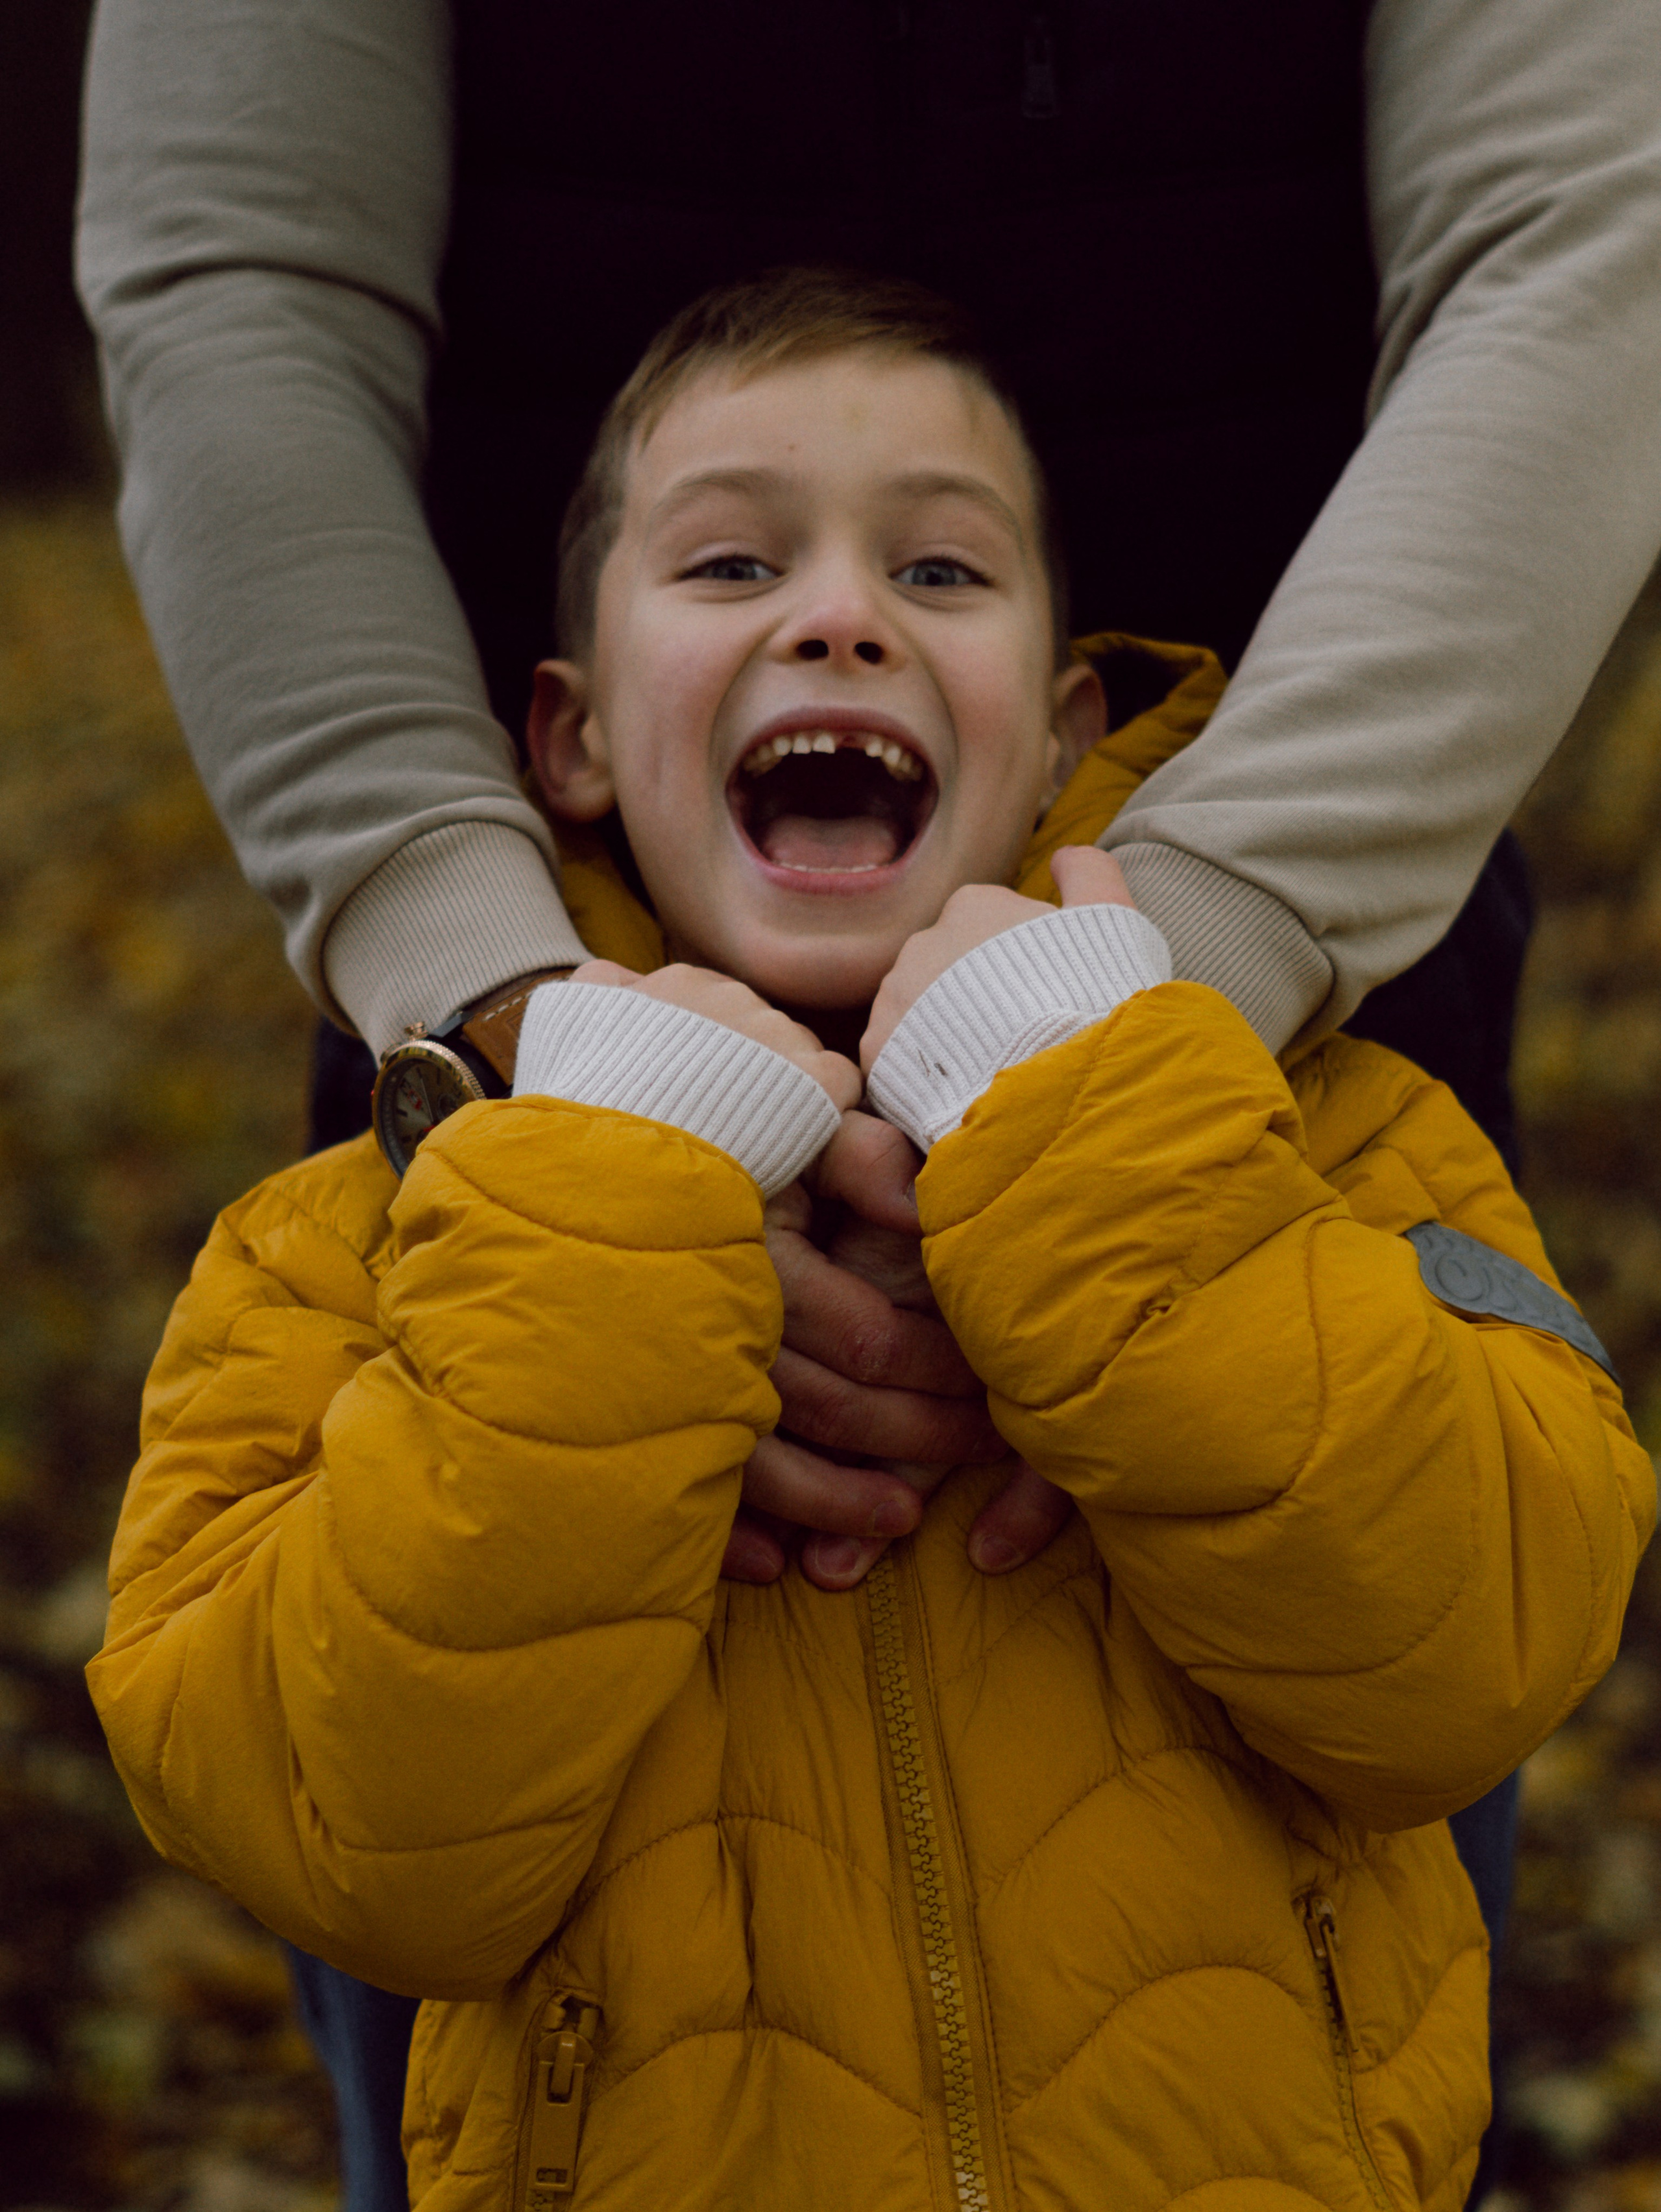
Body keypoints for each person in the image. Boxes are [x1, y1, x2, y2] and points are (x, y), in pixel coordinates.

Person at [89, 272, 1653, 2211]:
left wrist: (1098, 1126)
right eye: (736, 559)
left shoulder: (1326, 1141)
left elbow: (1488, 1646)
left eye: (941, 569)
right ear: (565, 741)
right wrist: (602, 1199)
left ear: (1072, 716)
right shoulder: (374, 1235)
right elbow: (345, 1829)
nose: (840, 615)